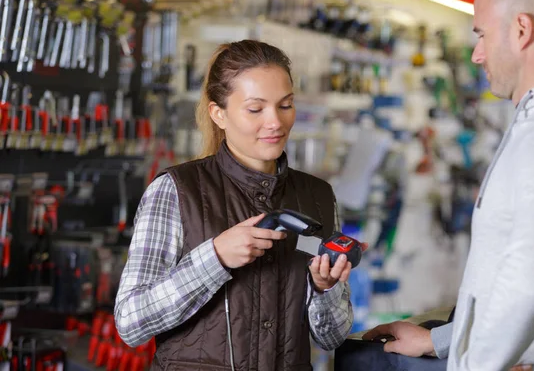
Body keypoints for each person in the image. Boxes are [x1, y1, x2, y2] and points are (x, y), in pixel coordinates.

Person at [364, 0, 534, 369]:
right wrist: (441, 340)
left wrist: (478, 363)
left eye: (482, 34)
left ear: (522, 30)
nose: (477, 54)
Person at [115, 40, 365, 371]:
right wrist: (215, 257)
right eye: (255, 109)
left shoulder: (318, 195)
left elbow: (332, 339)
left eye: (285, 105)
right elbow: (131, 323)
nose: (275, 122)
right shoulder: (177, 190)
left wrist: (324, 288)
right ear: (219, 114)